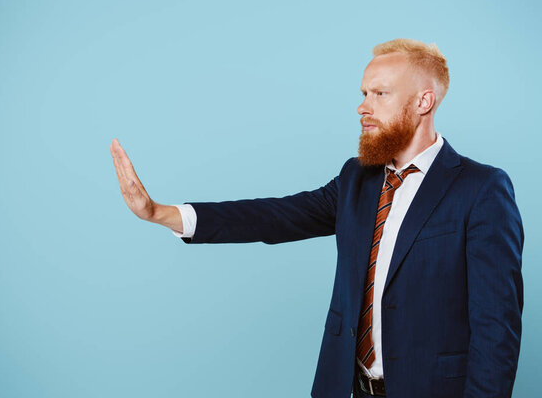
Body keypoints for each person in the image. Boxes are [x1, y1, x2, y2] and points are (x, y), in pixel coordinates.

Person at [110, 38, 524, 398]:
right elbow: (274, 217)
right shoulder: (356, 180)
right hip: (346, 389)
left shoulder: (481, 189)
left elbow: (496, 331)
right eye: (364, 93)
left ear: (423, 101)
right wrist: (160, 213)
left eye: (379, 94)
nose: (362, 106)